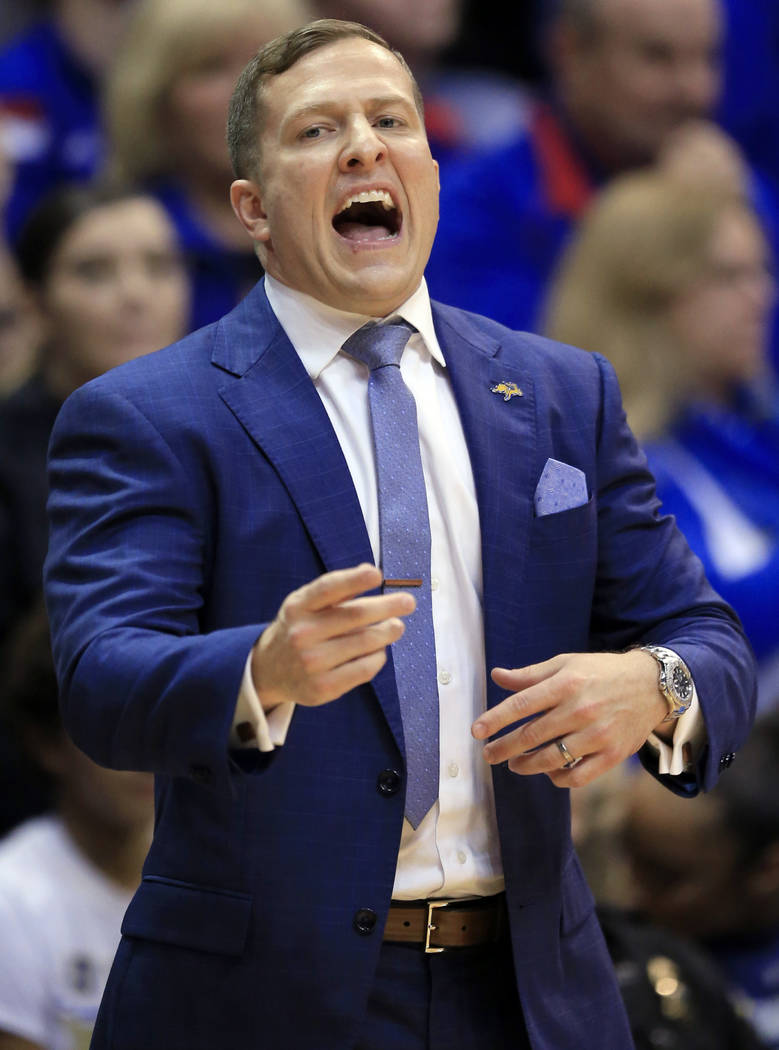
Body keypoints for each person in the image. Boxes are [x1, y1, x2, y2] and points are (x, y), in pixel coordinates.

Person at [44, 19, 756, 1050]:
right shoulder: (151, 413)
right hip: (264, 1001)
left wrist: (653, 685)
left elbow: (705, 636)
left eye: (390, 121)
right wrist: (262, 669)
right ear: (252, 207)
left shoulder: (560, 393)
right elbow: (103, 684)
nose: (365, 148)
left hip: (528, 992)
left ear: (428, 165)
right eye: (316, 130)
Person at [423, 0, 779, 362]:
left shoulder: (738, 193)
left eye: (709, 58)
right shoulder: (473, 213)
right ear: (571, 51)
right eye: (657, 56)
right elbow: (519, 385)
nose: (695, 90)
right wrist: (665, 230)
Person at [545, 171, 779, 707]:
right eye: (728, 276)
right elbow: (696, 620)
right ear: (645, 297)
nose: (762, 296)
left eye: (762, 269)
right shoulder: (591, 456)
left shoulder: (745, 423)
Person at [0, 181, 188, 839]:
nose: (135, 293)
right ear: (35, 300)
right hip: (36, 817)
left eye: (159, 266)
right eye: (93, 271)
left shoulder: (232, 438)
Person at [103, 0, 313, 333]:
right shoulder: (117, 241)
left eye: (268, 66)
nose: (247, 94)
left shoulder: (355, 222)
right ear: (154, 98)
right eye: (211, 68)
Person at [0, 601, 154, 1050]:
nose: (143, 753)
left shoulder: (216, 873)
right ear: (47, 742)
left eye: (157, 719)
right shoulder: (12, 900)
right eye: (114, 723)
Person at [623, 710, 779, 1049]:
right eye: (628, 858)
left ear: (769, 870)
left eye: (666, 878)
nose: (632, 893)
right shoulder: (621, 964)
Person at [0, 0, 137, 241]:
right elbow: (19, 217)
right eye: (109, 7)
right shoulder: (19, 86)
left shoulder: (134, 80)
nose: (124, 23)